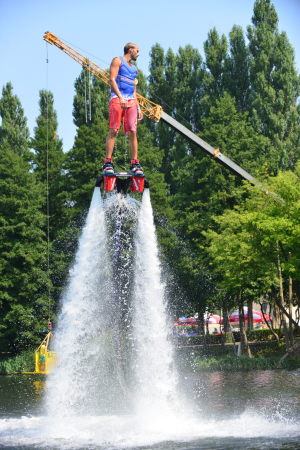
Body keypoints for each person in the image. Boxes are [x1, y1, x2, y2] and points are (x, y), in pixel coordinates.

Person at [103, 43, 143, 175]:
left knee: (132, 131)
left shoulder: (135, 69)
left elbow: (133, 91)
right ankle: (108, 162)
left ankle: (135, 163)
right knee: (114, 130)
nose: (138, 53)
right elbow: (112, 80)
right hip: (117, 98)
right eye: (137, 51)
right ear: (130, 50)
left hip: (131, 100)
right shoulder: (117, 60)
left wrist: (138, 108)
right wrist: (120, 96)